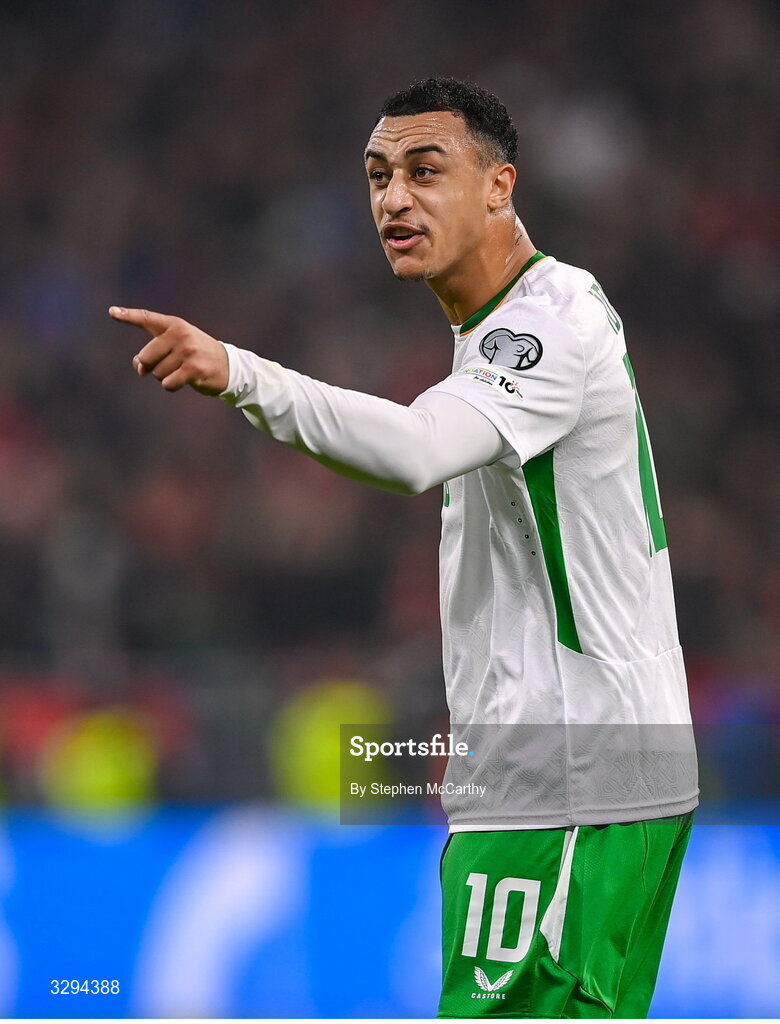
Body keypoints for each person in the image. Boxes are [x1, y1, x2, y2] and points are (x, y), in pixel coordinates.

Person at [110, 77, 698, 1019]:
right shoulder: (498, 332)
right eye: (379, 175)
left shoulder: (546, 321)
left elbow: (418, 451)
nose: (394, 198)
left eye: (427, 171)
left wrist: (239, 373)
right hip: (575, 772)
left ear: (501, 185)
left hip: (569, 780)